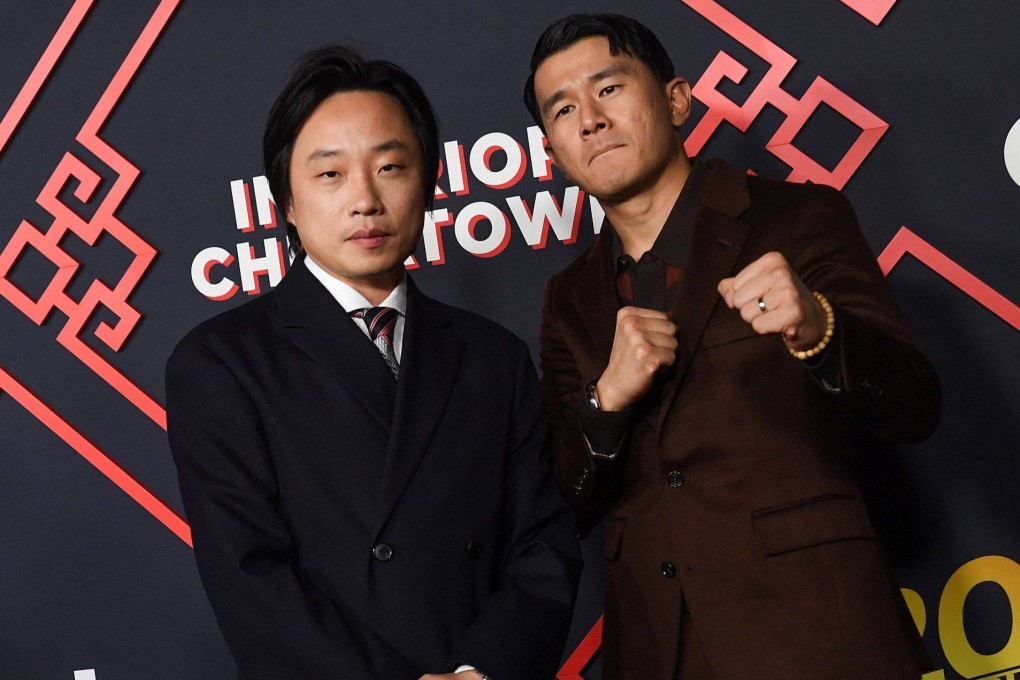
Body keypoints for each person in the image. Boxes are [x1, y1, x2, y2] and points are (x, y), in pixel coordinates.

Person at [524, 13, 941, 680]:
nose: (590, 120)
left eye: (608, 89)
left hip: (818, 638)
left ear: (676, 99)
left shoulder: (800, 217)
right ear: (553, 153)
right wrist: (606, 402)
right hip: (658, 651)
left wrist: (820, 327)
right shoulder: (569, 297)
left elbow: (915, 406)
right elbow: (564, 496)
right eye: (564, 108)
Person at [166, 45, 580, 680]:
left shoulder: (492, 356)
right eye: (330, 175)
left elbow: (542, 547)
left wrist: (480, 671)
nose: (364, 199)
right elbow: (250, 577)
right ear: (285, 201)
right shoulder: (221, 363)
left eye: (390, 166)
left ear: (428, 182)